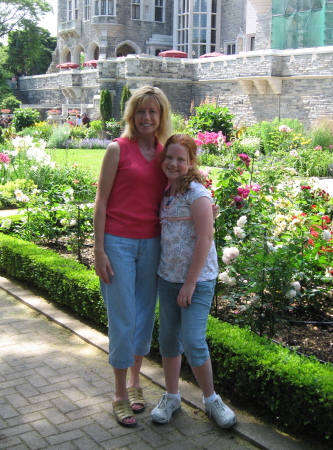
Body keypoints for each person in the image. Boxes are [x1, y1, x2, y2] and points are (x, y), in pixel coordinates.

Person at [94, 85, 173, 428]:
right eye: (141, 111)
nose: (147, 117)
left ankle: (136, 381)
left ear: (161, 117)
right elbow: (100, 203)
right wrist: (98, 250)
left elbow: (184, 184)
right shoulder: (117, 150)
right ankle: (118, 393)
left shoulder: (165, 154)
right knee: (123, 317)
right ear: (131, 115)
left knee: (143, 316)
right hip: (118, 244)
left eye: (153, 112)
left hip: (152, 244)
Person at [150, 134, 237, 429]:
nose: (174, 164)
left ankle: (211, 399)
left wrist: (189, 284)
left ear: (190, 163)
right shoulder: (164, 192)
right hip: (167, 277)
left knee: (193, 340)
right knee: (168, 339)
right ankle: (172, 396)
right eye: (170, 157)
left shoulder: (197, 194)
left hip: (196, 282)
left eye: (181, 159)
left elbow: (205, 238)